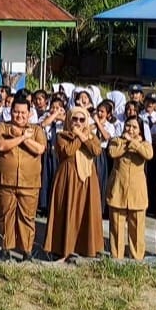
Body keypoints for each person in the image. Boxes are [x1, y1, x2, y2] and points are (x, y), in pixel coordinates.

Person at [44, 107, 104, 260]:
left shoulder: (92, 136)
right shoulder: (61, 136)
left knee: (87, 211)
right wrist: (79, 136)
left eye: (82, 120)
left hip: (88, 179)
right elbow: (68, 151)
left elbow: (96, 150)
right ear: (68, 120)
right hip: (68, 176)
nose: (78, 122)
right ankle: (63, 247)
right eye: (74, 119)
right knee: (67, 210)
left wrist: (84, 137)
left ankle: (87, 247)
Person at [0, 98, 47, 261]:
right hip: (5, 181)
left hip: (29, 182)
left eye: (23, 112)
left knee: (27, 216)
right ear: (11, 111)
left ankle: (27, 250)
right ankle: (6, 248)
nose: (20, 116)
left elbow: (40, 149)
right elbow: (1, 146)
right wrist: (22, 138)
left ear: (29, 114)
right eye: (16, 112)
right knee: (6, 215)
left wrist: (24, 137)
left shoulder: (36, 130)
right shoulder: (2, 126)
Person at [106, 118, 153, 259]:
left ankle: (137, 258)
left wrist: (135, 143)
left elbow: (148, 155)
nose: (130, 129)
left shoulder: (145, 144)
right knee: (116, 227)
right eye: (128, 126)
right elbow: (113, 153)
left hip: (137, 192)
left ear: (140, 130)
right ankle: (116, 257)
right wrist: (126, 144)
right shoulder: (117, 140)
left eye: (134, 127)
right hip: (118, 189)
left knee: (137, 227)